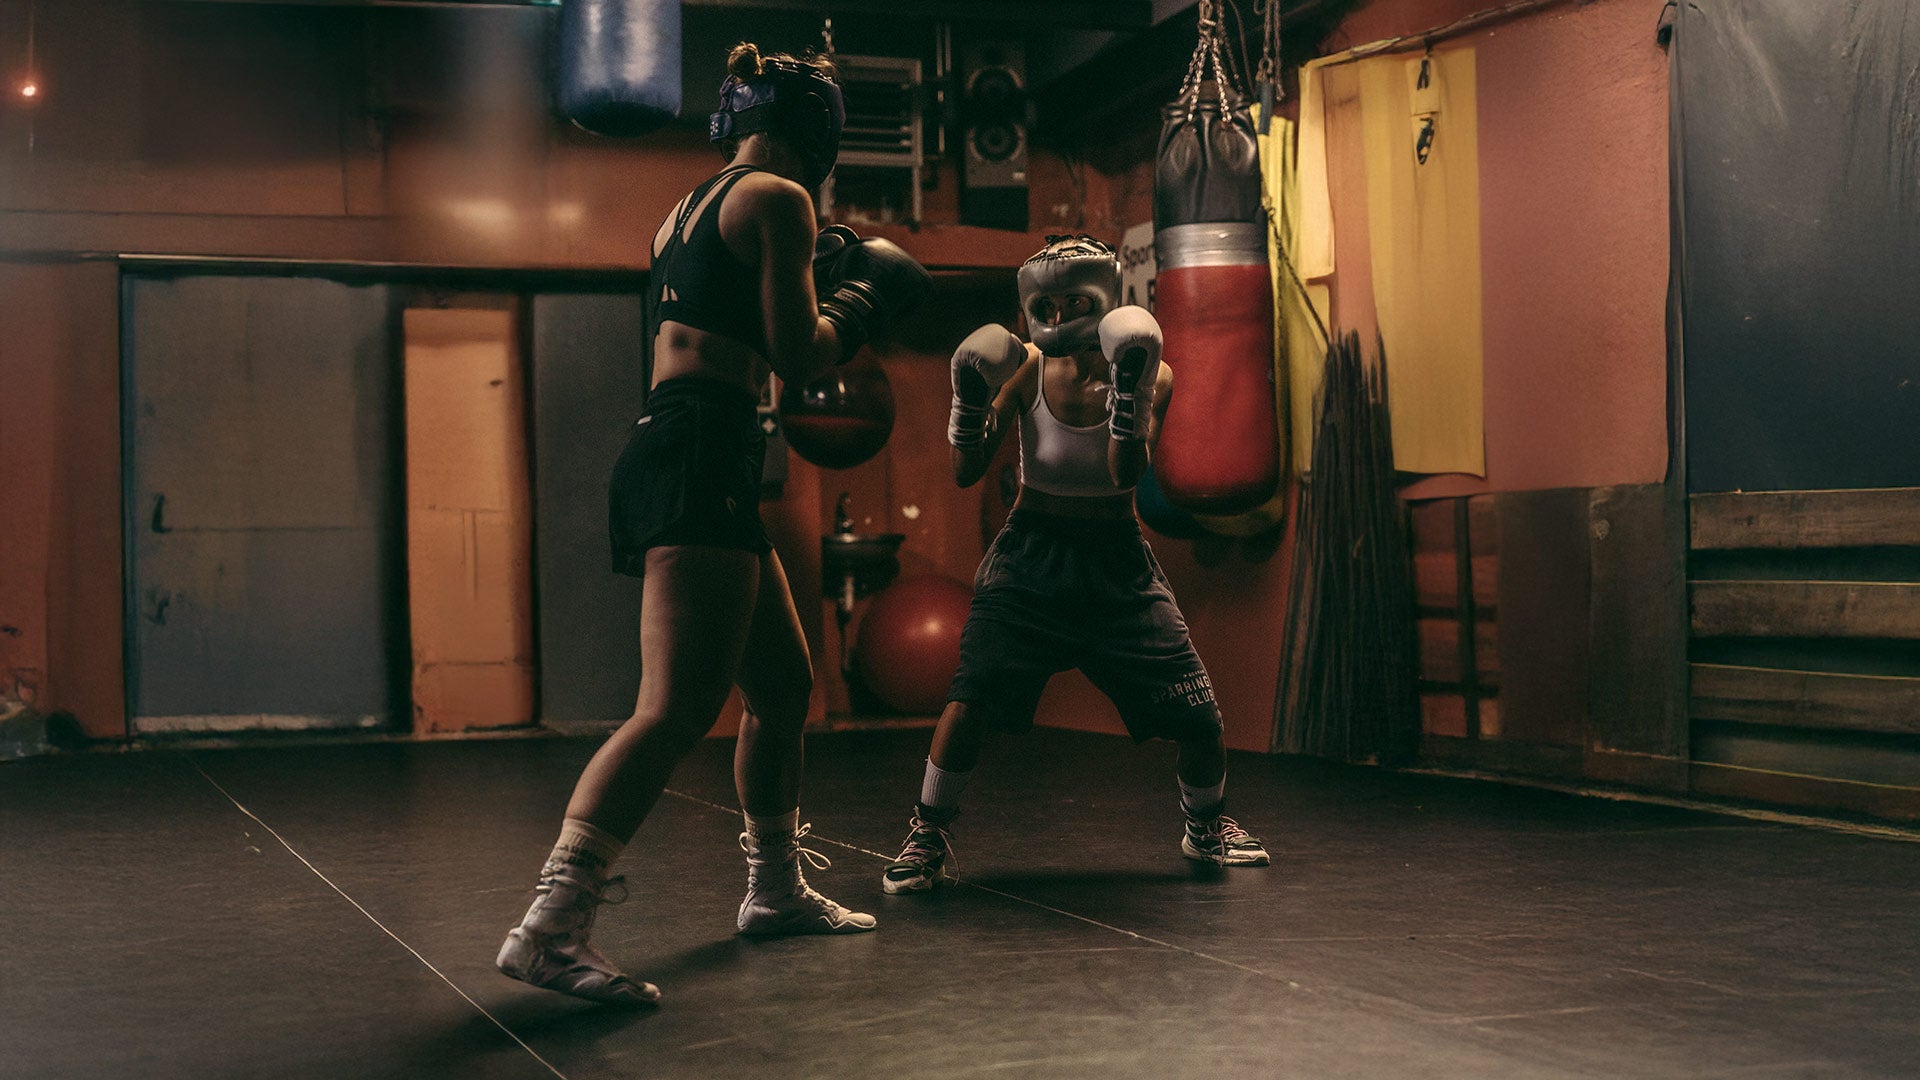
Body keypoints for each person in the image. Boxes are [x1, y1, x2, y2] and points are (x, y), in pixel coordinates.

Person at [497, 43, 931, 1006]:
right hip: (702, 446)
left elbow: (735, 318)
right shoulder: (780, 199)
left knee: (783, 687)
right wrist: (864, 298)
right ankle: (552, 926)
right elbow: (797, 353)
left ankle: (773, 890)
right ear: (820, 131)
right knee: (674, 709)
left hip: (695, 444)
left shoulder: (686, 206)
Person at [881, 235, 1268, 895]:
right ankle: (926, 834)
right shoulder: (1027, 366)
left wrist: (1128, 396)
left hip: (1117, 559)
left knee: (1198, 714)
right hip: (1030, 555)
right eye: (1048, 306)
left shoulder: (1152, 372)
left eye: (1074, 304)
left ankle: (1205, 827)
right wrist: (967, 405)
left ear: (1105, 301)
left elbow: (1125, 473)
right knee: (969, 700)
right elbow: (965, 471)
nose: (1059, 318)